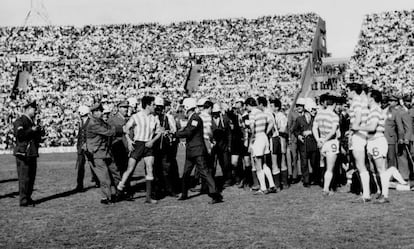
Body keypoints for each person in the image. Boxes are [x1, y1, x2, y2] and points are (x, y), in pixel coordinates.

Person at [117, 96, 164, 204]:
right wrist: (129, 141)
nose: (155, 107)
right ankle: (119, 192)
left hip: (148, 145)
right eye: (153, 105)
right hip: (138, 144)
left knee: (149, 168)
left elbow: (159, 131)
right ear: (147, 105)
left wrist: (152, 141)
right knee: (130, 169)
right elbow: (126, 129)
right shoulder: (136, 116)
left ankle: (148, 197)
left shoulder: (154, 118)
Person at [176, 97, 223, 204]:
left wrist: (175, 134)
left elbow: (189, 132)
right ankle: (184, 193)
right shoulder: (193, 118)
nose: (183, 110)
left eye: (184, 107)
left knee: (204, 172)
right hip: (192, 150)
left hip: (196, 150)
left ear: (188, 107)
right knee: (186, 173)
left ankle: (215, 194)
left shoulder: (195, 118)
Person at [84, 103, 124, 204]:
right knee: (104, 177)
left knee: (115, 172)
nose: (102, 113)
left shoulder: (99, 121)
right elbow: (108, 132)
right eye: (99, 111)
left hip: (105, 152)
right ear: (93, 113)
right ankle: (106, 197)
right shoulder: (93, 123)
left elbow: (109, 128)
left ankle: (119, 193)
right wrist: (123, 129)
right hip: (96, 153)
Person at [354, 90, 389, 203]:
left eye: (368, 98)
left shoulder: (375, 111)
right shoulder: (373, 111)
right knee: (376, 169)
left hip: (377, 141)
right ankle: (381, 193)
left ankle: (385, 195)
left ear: (372, 99)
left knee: (381, 169)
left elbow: (373, 127)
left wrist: (357, 128)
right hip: (373, 141)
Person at [13, 100, 44, 207]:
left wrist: (39, 131)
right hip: (23, 153)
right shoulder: (20, 121)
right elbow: (20, 135)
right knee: (24, 177)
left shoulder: (31, 122)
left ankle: (28, 197)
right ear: (28, 109)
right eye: (34, 109)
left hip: (31, 153)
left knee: (31, 177)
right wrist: (32, 130)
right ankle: (23, 200)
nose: (36, 111)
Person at [246, 97, 277, 194]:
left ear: (248, 105)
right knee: (264, 163)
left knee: (258, 164)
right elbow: (271, 122)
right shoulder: (262, 113)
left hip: (258, 138)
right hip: (264, 137)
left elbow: (252, 128)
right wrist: (265, 132)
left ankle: (263, 188)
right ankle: (271, 185)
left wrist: (251, 141)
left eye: (246, 106)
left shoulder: (252, 114)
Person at [347, 83, 371, 202]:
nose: (347, 93)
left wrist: (353, 129)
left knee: (360, 164)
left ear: (352, 91)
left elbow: (358, 116)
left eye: (348, 91)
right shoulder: (362, 101)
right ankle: (365, 192)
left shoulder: (356, 101)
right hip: (361, 133)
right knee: (360, 164)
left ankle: (366, 194)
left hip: (359, 134)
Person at [312, 95, 339, 195]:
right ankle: (327, 188)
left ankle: (326, 185)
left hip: (322, 141)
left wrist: (318, 140)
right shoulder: (334, 116)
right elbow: (333, 132)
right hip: (330, 142)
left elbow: (314, 128)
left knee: (323, 165)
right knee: (330, 168)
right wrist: (324, 140)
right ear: (334, 104)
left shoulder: (319, 115)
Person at [292, 98, 319, 188]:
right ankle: (306, 180)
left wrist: (310, 132)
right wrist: (299, 136)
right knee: (304, 163)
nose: (315, 111)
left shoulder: (316, 119)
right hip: (303, 144)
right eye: (313, 109)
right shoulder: (299, 119)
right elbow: (295, 130)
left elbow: (318, 129)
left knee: (314, 162)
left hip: (313, 143)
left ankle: (315, 178)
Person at [107, 101, 130, 192]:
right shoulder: (113, 119)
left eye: (127, 107)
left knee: (126, 168)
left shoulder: (127, 119)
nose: (126, 109)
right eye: (124, 107)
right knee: (120, 169)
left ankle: (125, 188)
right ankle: (121, 189)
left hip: (127, 147)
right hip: (118, 148)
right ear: (119, 108)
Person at [75, 105, 99, 191]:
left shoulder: (89, 122)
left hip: (88, 146)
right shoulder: (81, 121)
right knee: (81, 166)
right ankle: (80, 185)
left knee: (93, 164)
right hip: (81, 147)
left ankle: (97, 181)